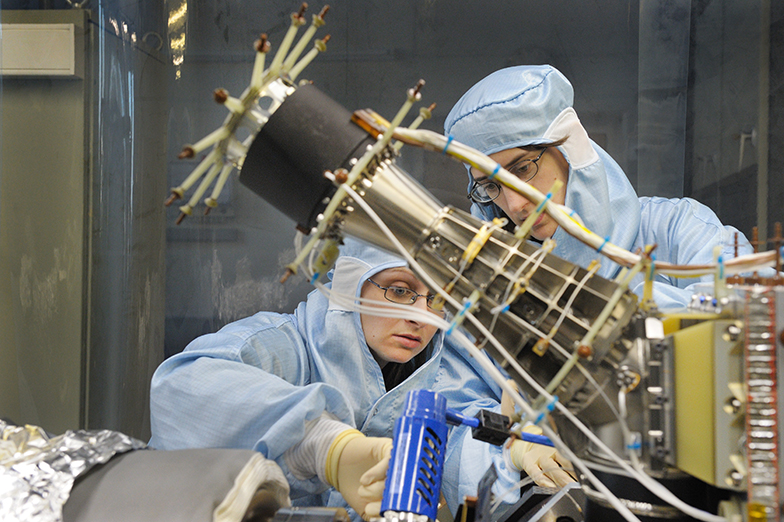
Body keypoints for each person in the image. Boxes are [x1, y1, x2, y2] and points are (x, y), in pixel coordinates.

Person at [149, 238, 575, 521]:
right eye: (400, 290)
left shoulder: (433, 375)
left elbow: (452, 453)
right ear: (351, 286)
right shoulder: (282, 346)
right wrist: (325, 446)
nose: (421, 316)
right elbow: (182, 387)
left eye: (437, 298)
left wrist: (509, 454)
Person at [444, 64, 758, 309]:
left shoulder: (676, 229)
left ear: (569, 152)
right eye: (491, 186)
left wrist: (627, 305)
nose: (514, 205)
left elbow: (750, 311)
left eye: (523, 169)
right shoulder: (488, 285)